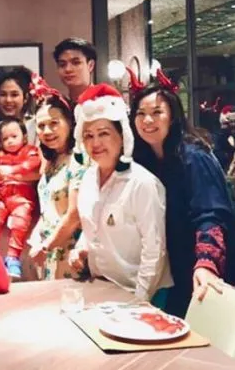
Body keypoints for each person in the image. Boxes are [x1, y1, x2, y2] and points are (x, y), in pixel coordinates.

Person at [129, 70, 235, 319]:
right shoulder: (143, 161)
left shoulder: (194, 157)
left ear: (172, 116)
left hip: (198, 268)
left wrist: (207, 263)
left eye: (157, 112)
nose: (148, 120)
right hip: (171, 268)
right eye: (140, 113)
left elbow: (211, 215)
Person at [66, 84, 172, 304]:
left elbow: (155, 250)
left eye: (104, 133)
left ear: (123, 136)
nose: (95, 143)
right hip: (103, 289)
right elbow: (92, 227)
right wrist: (80, 249)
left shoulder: (141, 183)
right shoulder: (88, 179)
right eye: (88, 135)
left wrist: (140, 299)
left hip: (142, 292)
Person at [26, 77, 85, 281]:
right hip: (49, 251)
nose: (47, 131)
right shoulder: (51, 161)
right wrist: (37, 241)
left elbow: (75, 215)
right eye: (41, 126)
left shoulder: (80, 159)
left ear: (69, 122)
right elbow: (48, 210)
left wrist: (46, 246)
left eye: (54, 123)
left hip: (72, 253)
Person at [0, 118, 41, 279]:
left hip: (22, 198)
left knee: (20, 224)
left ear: (24, 137)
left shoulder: (29, 151)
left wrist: (10, 170)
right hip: (1, 197)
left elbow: (33, 163)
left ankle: (13, 258)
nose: (10, 141)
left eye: (14, 136)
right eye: (5, 138)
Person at [0, 68, 37, 147]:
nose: (8, 100)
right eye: (3, 94)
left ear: (25, 98)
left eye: (14, 95)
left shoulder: (36, 127)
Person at [53, 38, 95, 106]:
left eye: (76, 63)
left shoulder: (106, 102)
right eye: (62, 64)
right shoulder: (58, 106)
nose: (68, 69)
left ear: (90, 65)